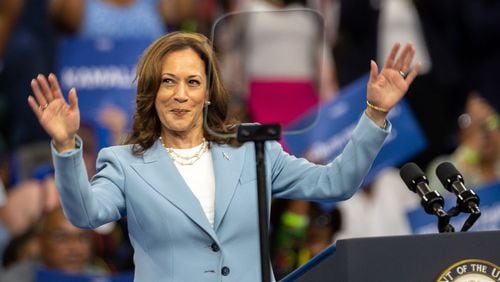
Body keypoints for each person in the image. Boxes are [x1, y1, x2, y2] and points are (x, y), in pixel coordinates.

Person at [27, 31, 420, 281]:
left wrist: (375, 114)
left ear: (208, 93)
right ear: (151, 93)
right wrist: (65, 145)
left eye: (192, 82)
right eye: (168, 82)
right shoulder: (124, 162)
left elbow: (336, 183)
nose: (180, 94)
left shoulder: (254, 151)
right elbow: (86, 214)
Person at [0, 206, 102, 281]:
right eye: (61, 238)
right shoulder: (14, 279)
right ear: (40, 241)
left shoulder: (99, 277)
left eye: (83, 238)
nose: (75, 248)